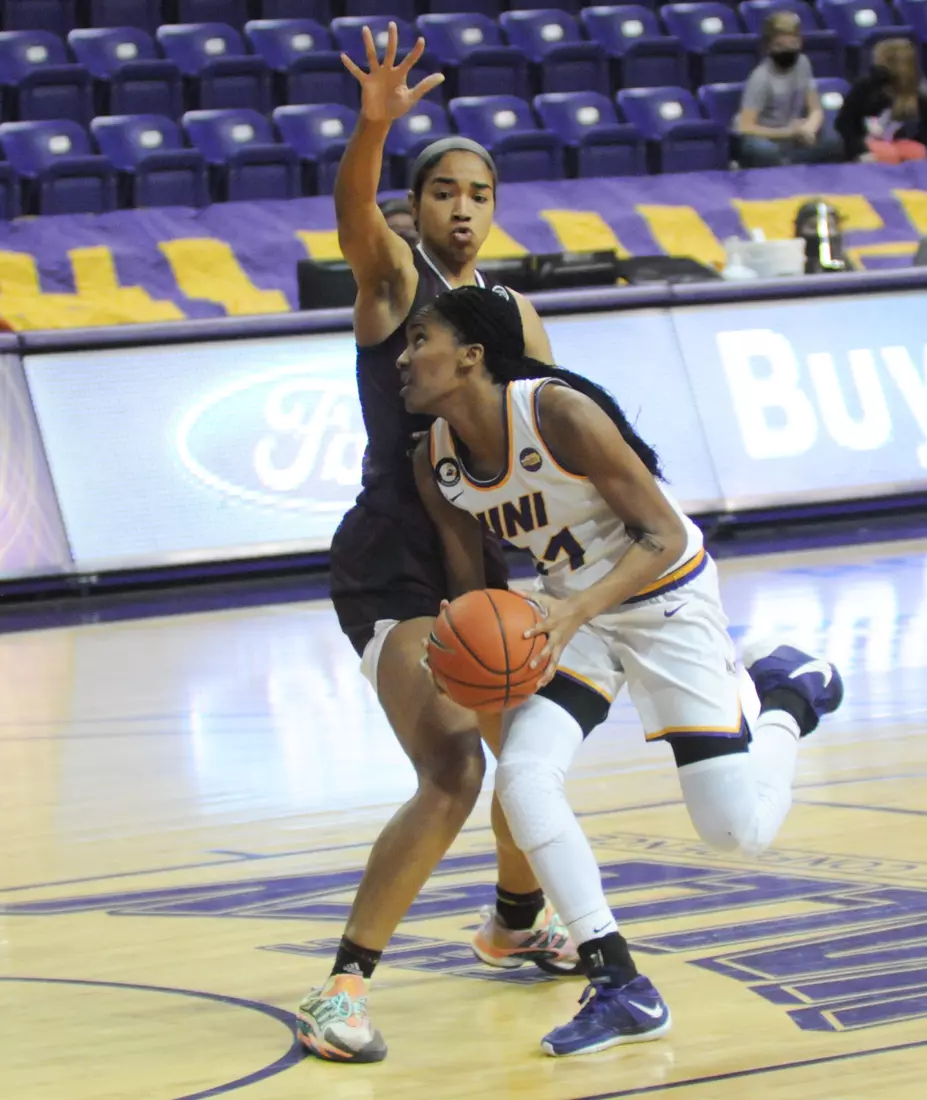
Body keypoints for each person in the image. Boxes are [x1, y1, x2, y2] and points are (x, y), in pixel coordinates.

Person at [408, 285, 845, 1057]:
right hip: (567, 608)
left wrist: (575, 612)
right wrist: (458, 651)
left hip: (663, 597)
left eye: (420, 341)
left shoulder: (555, 413)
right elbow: (472, 583)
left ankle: (785, 694)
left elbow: (660, 530)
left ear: (470, 356)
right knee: (524, 776)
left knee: (733, 831)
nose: (404, 358)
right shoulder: (432, 461)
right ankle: (621, 984)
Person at [296, 24, 577, 1065]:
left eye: (480, 193)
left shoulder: (513, 314)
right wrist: (373, 127)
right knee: (454, 768)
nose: (463, 207)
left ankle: (512, 919)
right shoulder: (393, 281)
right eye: (444, 190)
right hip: (393, 562)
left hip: (482, 559)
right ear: (418, 207)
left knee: (533, 757)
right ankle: (341, 985)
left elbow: (549, 447)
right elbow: (351, 216)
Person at [735, 11, 843, 168]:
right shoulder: (760, 78)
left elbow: (816, 109)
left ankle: (791, 164)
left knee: (833, 141)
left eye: (793, 44)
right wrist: (789, 132)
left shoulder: (803, 63)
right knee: (763, 151)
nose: (787, 51)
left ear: (800, 42)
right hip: (765, 137)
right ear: (768, 47)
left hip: (794, 136)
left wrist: (809, 128)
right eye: (780, 46)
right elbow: (746, 127)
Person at [835, 38, 927, 164]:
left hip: (899, 145)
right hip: (864, 147)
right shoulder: (866, 88)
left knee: (918, 152)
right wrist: (860, 151)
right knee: (887, 154)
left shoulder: (918, 93)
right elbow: (844, 124)